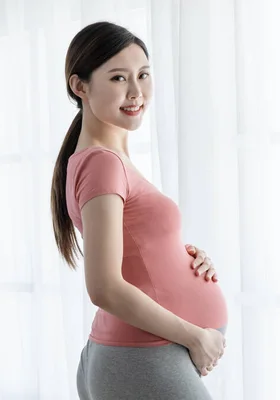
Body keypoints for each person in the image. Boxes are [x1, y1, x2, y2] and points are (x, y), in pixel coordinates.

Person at [50, 21, 228, 400]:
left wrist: (184, 257)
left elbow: (135, 250)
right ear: (79, 86)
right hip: (140, 357)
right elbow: (104, 287)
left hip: (144, 357)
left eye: (143, 75)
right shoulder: (101, 163)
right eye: (118, 78)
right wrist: (195, 335)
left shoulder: (109, 159)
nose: (136, 92)